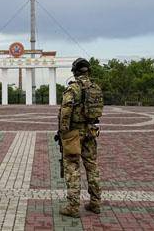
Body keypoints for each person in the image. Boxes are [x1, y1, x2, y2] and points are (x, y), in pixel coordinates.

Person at [57, 57, 104, 217]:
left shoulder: (73, 89)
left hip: (74, 133)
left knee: (72, 167)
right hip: (91, 131)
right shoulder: (96, 88)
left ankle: (73, 206)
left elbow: (65, 112)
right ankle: (95, 203)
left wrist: (63, 132)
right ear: (88, 71)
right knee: (92, 166)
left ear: (75, 72)